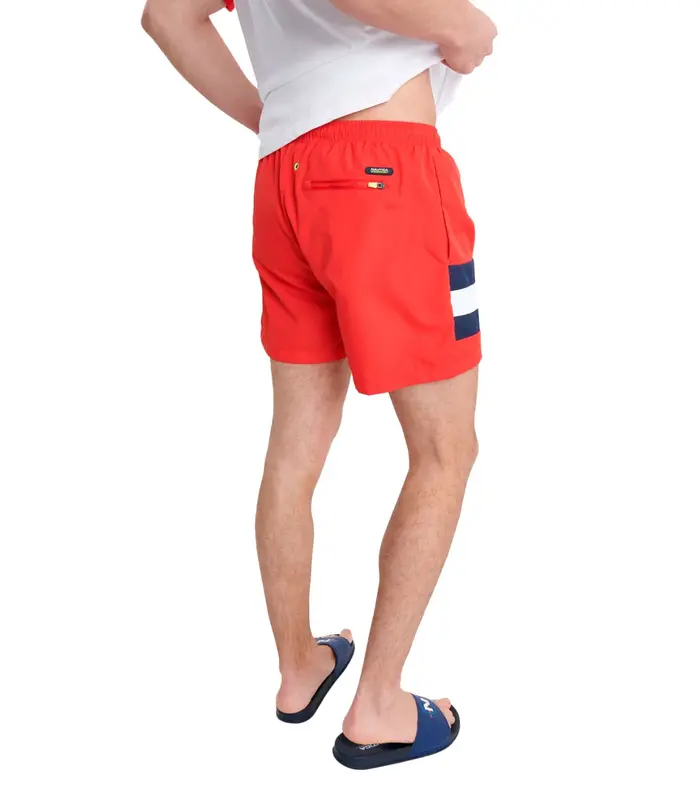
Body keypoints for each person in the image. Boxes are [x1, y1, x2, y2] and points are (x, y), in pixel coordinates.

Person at [142, 0, 497, 770]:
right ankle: (379, 706)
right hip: (385, 170)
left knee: (294, 447)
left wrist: (279, 116)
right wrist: (457, 26)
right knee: (445, 450)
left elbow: (168, 16)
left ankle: (300, 667)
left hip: (286, 175)